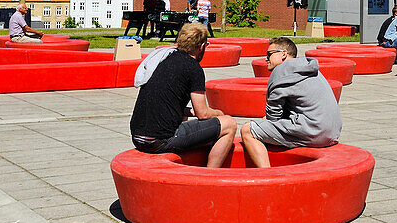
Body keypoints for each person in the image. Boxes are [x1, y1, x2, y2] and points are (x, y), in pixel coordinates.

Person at [129, 23, 236, 167]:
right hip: (160, 140)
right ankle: (210, 175)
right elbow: (203, 113)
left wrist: (190, 112)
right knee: (229, 125)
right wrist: (219, 113)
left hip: (137, 136)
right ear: (202, 46)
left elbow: (167, 104)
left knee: (197, 124)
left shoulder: (163, 59)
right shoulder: (193, 68)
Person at [240, 37, 343, 168]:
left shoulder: (281, 71)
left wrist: (265, 122)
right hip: (332, 133)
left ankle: (267, 175)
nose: (266, 59)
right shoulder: (310, 69)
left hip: (314, 132)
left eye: (269, 54)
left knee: (248, 130)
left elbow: (273, 116)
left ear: (283, 54)